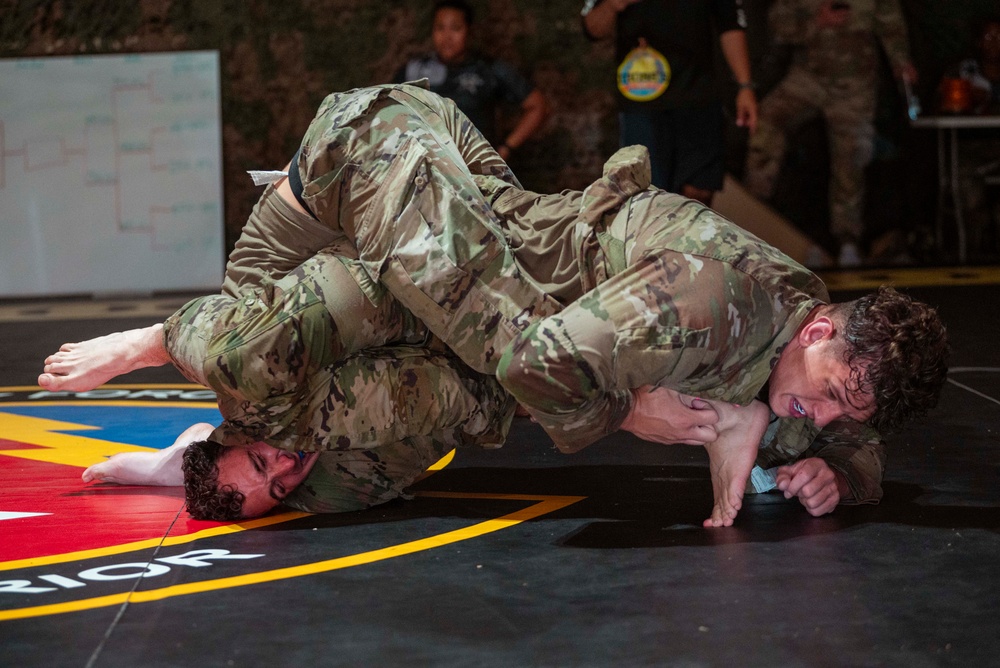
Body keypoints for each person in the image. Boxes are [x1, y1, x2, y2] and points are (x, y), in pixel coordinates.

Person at [42, 82, 948, 527]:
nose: (818, 412)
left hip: (472, 295)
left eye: (834, 408)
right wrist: (646, 414)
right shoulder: (712, 299)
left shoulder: (810, 366)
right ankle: (170, 357)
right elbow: (539, 362)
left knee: (343, 478)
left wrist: (846, 473)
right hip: (418, 252)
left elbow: (850, 435)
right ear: (820, 330)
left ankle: (199, 449)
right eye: (827, 389)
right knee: (259, 358)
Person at [742, 0, 918, 267]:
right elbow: (778, 26)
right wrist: (817, 21)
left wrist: (901, 61)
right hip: (808, 76)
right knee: (767, 121)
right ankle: (753, 213)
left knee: (851, 156)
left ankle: (847, 238)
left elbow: (891, 24)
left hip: (855, 83)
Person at [581, 0, 758, 205]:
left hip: (699, 95)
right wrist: (612, 4)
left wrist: (745, 86)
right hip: (642, 99)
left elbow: (731, 24)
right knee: (647, 198)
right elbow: (591, 28)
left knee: (698, 196)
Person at [393, 0, 550, 162]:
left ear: (469, 31)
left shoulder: (488, 69)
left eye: (455, 28)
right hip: (425, 166)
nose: (447, 37)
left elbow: (537, 105)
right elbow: (388, 111)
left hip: (475, 168)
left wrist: (506, 148)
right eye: (440, 28)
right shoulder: (414, 71)